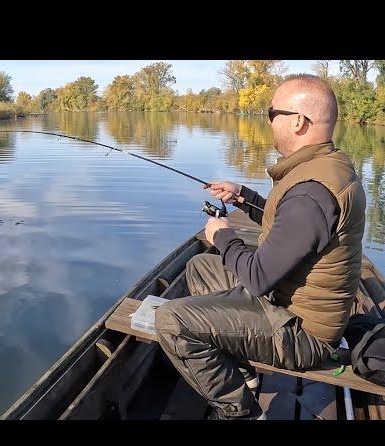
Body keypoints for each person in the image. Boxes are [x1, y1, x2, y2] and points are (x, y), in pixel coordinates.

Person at [154, 73, 366, 420]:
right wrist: (243, 197)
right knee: (200, 267)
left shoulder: (312, 192)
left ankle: (240, 413)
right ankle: (246, 373)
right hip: (293, 306)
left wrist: (222, 235)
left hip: (305, 334)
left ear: (298, 121)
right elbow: (292, 225)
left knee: (172, 320)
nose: (268, 122)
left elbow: (257, 278)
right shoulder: (324, 167)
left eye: (272, 113)